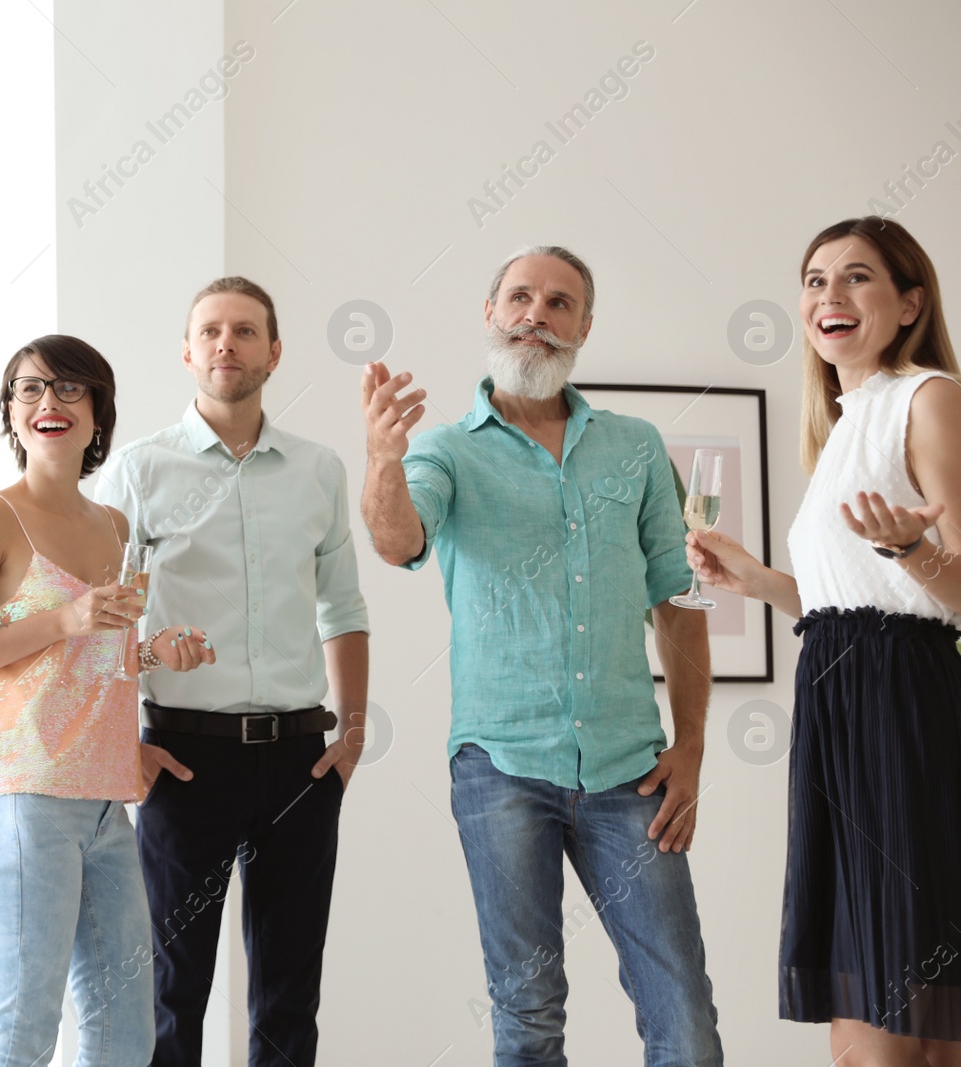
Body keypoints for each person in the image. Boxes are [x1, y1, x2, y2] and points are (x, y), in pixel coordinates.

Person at [360, 245, 724, 1065]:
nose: (537, 313)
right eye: (520, 296)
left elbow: (678, 597)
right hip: (502, 767)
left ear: (584, 327)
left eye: (560, 302)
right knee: (527, 1014)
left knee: (685, 1013)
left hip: (633, 771)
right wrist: (383, 459)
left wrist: (692, 744)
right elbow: (396, 539)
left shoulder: (634, 447)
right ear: (491, 314)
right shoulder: (447, 448)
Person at [687, 217, 961, 1066]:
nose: (827, 297)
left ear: (910, 301)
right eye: (813, 280)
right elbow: (853, 598)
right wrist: (758, 579)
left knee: (902, 1014)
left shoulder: (929, 396)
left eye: (855, 278)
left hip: (901, 707)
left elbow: (948, 587)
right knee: (866, 1014)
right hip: (838, 700)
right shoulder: (845, 424)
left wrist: (915, 549)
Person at [0, 334, 215, 1067]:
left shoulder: (113, 526)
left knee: (124, 1037)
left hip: (108, 805)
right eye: (29, 389)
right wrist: (64, 618)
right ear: (13, 416)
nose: (48, 402)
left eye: (68, 388)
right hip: (24, 803)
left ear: (97, 412)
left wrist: (153, 650)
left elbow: (91, 657)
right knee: (23, 1031)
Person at [93, 276, 370, 1067]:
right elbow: (102, 622)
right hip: (184, 758)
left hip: (299, 761)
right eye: (211, 331)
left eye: (245, 331)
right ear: (187, 352)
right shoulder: (141, 470)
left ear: (273, 352)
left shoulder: (318, 470)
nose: (227, 343)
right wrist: (125, 745)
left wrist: (350, 736)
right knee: (170, 989)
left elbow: (343, 610)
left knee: (289, 991)